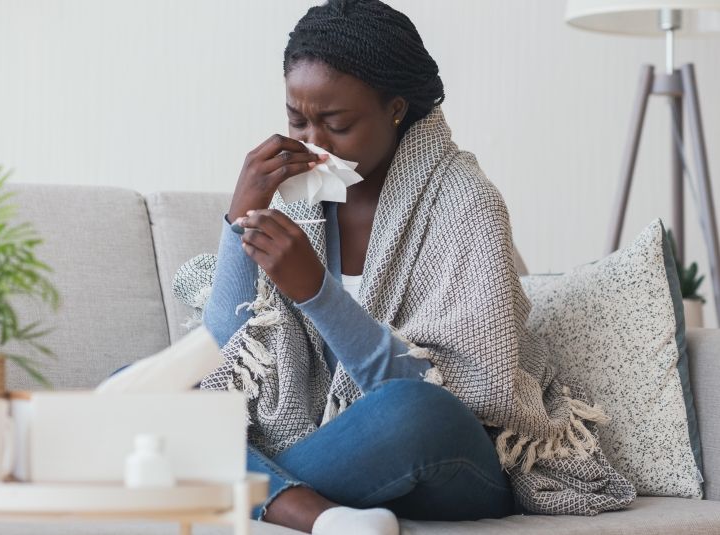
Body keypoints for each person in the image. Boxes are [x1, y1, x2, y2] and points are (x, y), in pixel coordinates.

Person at [172, 1, 634, 534]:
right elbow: (231, 346)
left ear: (395, 108)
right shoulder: (298, 199)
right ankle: (322, 517)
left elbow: (464, 395)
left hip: (447, 456)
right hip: (330, 448)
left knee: (410, 411)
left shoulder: (465, 203)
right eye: (297, 120)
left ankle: (216, 479)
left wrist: (318, 293)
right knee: (139, 394)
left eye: (336, 122)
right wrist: (241, 213)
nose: (313, 143)